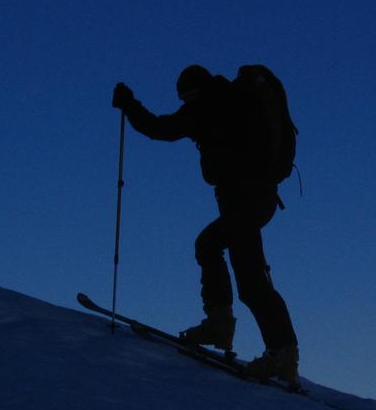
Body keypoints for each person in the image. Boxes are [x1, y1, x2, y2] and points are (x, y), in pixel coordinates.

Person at [111, 65, 299, 384]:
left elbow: (159, 128)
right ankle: (228, 327)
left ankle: (275, 349)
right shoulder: (229, 100)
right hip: (259, 197)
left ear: (191, 92)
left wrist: (128, 104)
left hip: (243, 199)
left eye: (184, 96)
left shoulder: (206, 106)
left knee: (248, 276)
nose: (183, 102)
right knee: (216, 250)